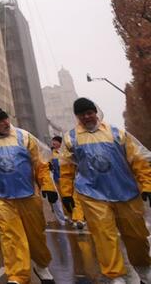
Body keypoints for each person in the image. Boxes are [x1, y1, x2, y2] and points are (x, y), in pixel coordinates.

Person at [58, 98, 151, 284]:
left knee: (137, 236)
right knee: (103, 235)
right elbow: (66, 168)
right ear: (77, 117)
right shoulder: (71, 138)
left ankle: (144, 269)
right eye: (82, 114)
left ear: (95, 112)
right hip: (92, 195)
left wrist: (147, 185)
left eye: (89, 112)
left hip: (125, 192)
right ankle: (115, 275)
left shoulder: (117, 133)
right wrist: (66, 194)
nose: (87, 117)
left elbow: (139, 161)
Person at [0, 106, 55, 284]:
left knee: (35, 235)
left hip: (28, 195)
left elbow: (40, 163)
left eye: (6, 118)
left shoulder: (23, 136)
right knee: (11, 235)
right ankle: (17, 276)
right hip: (1, 197)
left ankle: (41, 265)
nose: (6, 123)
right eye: (0, 121)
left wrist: (47, 185)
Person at [50, 135, 85, 229]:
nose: (53, 143)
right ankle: (71, 217)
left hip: (73, 179)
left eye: (55, 141)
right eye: (52, 141)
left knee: (75, 200)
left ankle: (79, 219)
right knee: (65, 200)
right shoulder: (51, 153)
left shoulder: (66, 153)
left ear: (60, 143)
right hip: (59, 180)